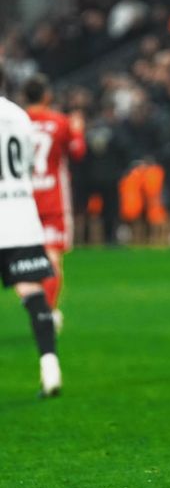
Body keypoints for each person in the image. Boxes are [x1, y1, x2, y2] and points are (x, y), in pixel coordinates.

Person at [0, 65, 61, 396]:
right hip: (21, 215)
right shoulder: (19, 116)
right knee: (31, 290)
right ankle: (50, 367)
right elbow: (26, 165)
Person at [24, 73, 86, 331]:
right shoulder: (60, 122)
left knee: (24, 261)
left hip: (23, 201)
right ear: (47, 96)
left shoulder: (15, 121)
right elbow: (77, 152)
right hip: (53, 201)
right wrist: (78, 131)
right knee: (52, 258)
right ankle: (47, 312)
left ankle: (35, 305)